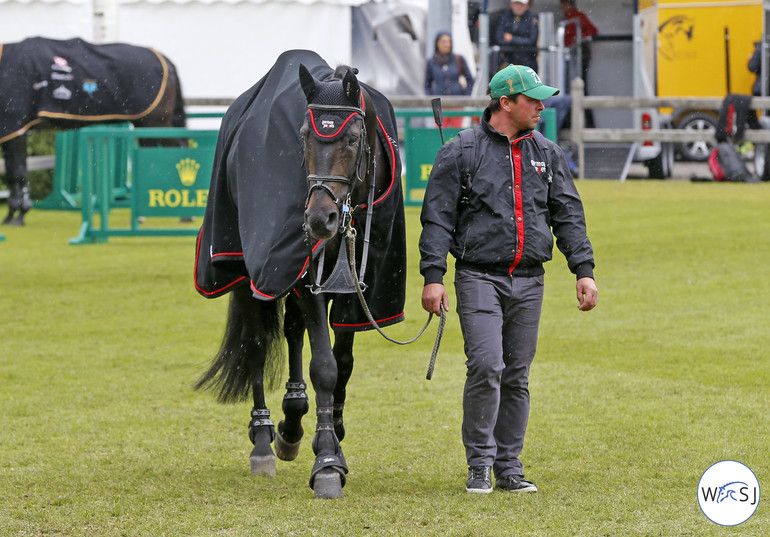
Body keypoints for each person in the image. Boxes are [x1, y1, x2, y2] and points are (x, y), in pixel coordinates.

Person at [418, 64, 598, 494]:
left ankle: (508, 467)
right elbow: (437, 220)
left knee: (516, 374)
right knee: (486, 366)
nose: (541, 105)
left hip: (531, 281)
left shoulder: (548, 153)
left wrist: (584, 271)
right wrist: (433, 276)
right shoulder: (460, 151)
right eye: (532, 98)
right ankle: (479, 464)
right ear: (505, 102)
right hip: (478, 277)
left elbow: (568, 216)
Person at [425, 31, 475, 128]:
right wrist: (431, 98)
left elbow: (470, 80)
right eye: (443, 41)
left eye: (449, 42)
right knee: (440, 132)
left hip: (457, 102)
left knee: (456, 134)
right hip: (439, 104)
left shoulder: (458, 59)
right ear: (437, 43)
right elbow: (427, 83)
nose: (447, 44)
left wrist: (466, 96)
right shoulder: (431, 62)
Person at [559, 0, 598, 126]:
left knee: (580, 90)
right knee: (571, 91)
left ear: (568, 5)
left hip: (579, 58)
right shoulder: (568, 18)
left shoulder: (577, 16)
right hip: (571, 58)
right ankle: (572, 124)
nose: (561, 7)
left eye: (563, 5)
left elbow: (593, 31)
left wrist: (578, 39)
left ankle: (588, 125)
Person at [494, 0, 539, 73]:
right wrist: (520, 42)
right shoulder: (505, 17)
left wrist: (512, 39)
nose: (518, 7)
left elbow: (532, 40)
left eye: (521, 5)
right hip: (508, 60)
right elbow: (499, 39)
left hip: (527, 61)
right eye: (516, 4)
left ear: (527, 5)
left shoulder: (532, 18)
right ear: (511, 4)